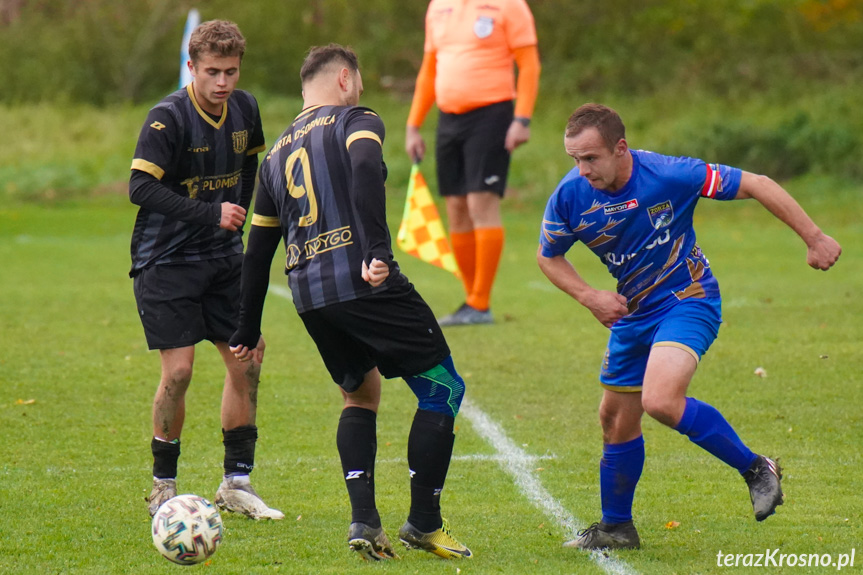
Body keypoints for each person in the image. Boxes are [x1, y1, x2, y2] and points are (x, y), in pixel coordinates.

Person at [537, 104, 841, 550]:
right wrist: (589, 296)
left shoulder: (669, 174)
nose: (582, 170)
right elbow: (549, 255)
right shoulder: (570, 196)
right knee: (615, 420)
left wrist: (814, 237)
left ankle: (757, 468)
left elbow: (756, 183)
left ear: (621, 148)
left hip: (688, 299)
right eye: (573, 160)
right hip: (633, 313)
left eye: (590, 158)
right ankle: (616, 528)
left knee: (659, 400)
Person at [229, 44, 472, 561]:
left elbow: (257, 251)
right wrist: (376, 249)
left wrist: (246, 328)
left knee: (360, 396)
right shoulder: (356, 119)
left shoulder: (273, 158)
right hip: (365, 283)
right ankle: (424, 523)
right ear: (344, 78)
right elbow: (364, 166)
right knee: (444, 389)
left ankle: (365, 520)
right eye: (358, 82)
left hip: (311, 297)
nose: (361, 91)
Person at [129, 19, 283, 521]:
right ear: (191, 67)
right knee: (178, 371)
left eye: (231, 71)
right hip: (166, 260)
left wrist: (235, 222)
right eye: (212, 71)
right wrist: (210, 213)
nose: (222, 82)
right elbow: (139, 188)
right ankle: (163, 484)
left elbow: (247, 169)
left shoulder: (245, 107)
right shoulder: (166, 118)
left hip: (221, 259)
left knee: (248, 360)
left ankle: (236, 483)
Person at [405, 0, 541, 325]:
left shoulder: (510, 6)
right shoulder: (438, 6)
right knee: (455, 207)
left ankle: (480, 304)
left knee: (482, 203)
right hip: (449, 118)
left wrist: (522, 119)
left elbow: (530, 64)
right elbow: (429, 69)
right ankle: (470, 301)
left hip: (492, 114)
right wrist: (413, 125)